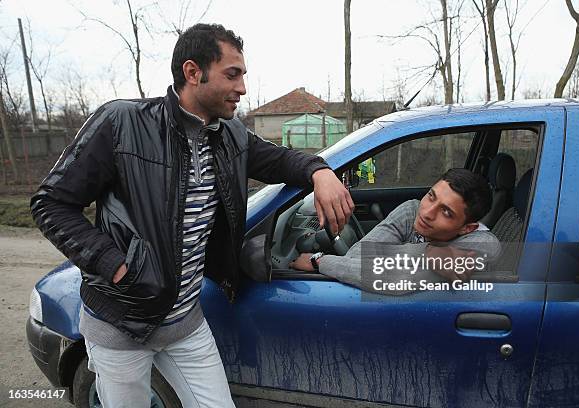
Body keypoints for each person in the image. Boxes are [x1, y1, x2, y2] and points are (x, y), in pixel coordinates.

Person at [31, 24, 353, 407]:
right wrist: (113, 263)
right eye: (232, 75)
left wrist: (320, 171)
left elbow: (280, 159)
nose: (243, 88)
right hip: (120, 326)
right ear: (192, 72)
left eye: (243, 76)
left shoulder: (231, 135)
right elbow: (50, 203)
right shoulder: (122, 123)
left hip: (185, 325)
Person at [290, 169, 501, 291]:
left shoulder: (482, 247)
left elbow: (395, 278)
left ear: (467, 228)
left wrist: (319, 261)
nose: (427, 212)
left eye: (446, 212)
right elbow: (357, 255)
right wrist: (430, 253)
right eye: (431, 196)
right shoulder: (412, 210)